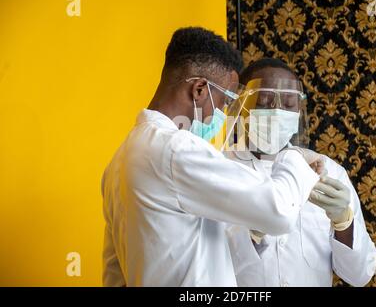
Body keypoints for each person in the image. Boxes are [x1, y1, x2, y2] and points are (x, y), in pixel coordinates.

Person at [101, 28, 321, 286]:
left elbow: (114, 275)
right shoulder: (176, 149)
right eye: (226, 101)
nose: (225, 112)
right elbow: (281, 211)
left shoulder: (120, 160)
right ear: (200, 90)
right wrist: (294, 157)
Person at [225, 58, 376, 287]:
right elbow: (207, 265)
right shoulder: (219, 170)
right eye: (265, 102)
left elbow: (359, 275)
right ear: (241, 106)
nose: (277, 113)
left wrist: (343, 222)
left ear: (299, 109)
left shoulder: (328, 171)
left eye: (288, 104)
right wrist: (251, 232)